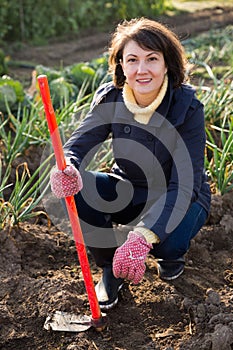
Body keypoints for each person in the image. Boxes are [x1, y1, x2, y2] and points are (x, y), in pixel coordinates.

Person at [50, 17, 211, 310]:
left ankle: (170, 255)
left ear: (167, 64)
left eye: (152, 59)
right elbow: (77, 145)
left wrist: (142, 237)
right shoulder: (112, 99)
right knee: (78, 187)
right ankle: (110, 267)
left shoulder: (187, 107)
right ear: (121, 66)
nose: (142, 69)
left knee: (168, 241)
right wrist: (68, 166)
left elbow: (184, 184)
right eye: (132, 59)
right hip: (131, 188)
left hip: (182, 195)